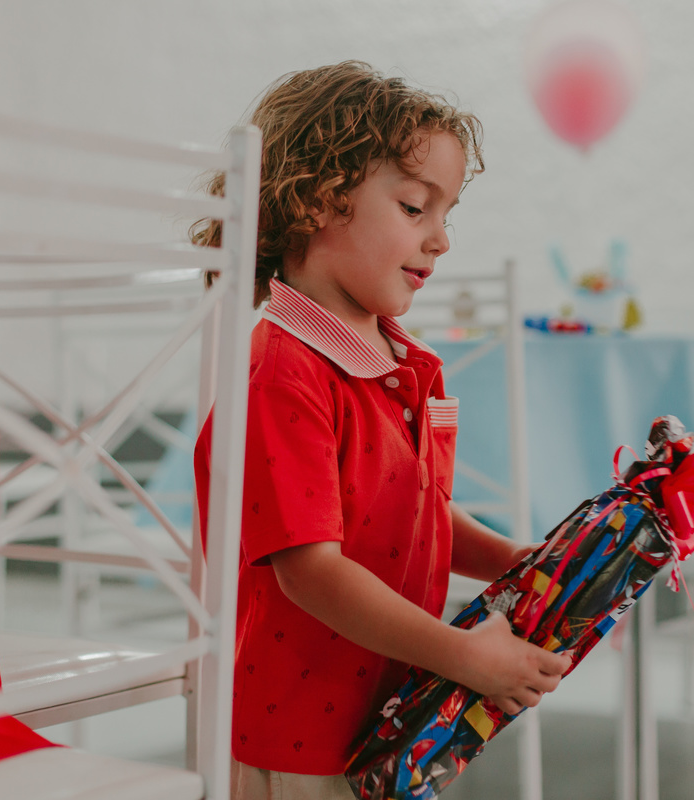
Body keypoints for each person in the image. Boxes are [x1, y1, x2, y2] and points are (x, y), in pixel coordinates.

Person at [192, 61, 571, 800]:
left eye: (446, 215)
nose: (441, 241)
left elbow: (408, 507)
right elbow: (312, 571)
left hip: (383, 717)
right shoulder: (284, 369)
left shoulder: (391, 358)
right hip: (301, 729)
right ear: (317, 201)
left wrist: (509, 558)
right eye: (413, 207)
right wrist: (465, 655)